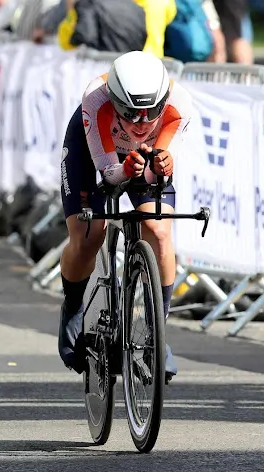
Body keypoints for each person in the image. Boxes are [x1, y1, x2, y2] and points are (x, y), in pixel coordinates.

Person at [57, 50, 192, 382]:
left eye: (151, 114)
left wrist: (161, 164)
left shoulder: (180, 104)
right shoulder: (95, 98)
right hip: (95, 156)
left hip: (137, 162)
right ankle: (73, 306)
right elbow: (108, 176)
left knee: (158, 231)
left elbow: (159, 166)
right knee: (89, 235)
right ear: (116, 100)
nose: (142, 124)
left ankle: (157, 333)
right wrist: (125, 169)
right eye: (131, 114)